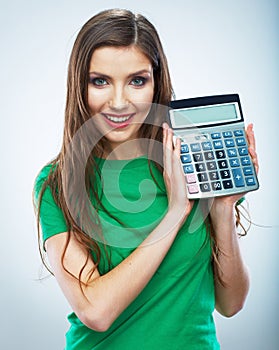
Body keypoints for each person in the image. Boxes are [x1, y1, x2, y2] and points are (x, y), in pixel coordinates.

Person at [33, 8, 259, 350]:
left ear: (156, 83)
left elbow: (231, 304)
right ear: (80, 86)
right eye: (100, 81)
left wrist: (222, 207)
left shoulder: (193, 160)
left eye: (137, 80)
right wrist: (175, 213)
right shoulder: (57, 183)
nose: (120, 102)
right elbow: (95, 311)